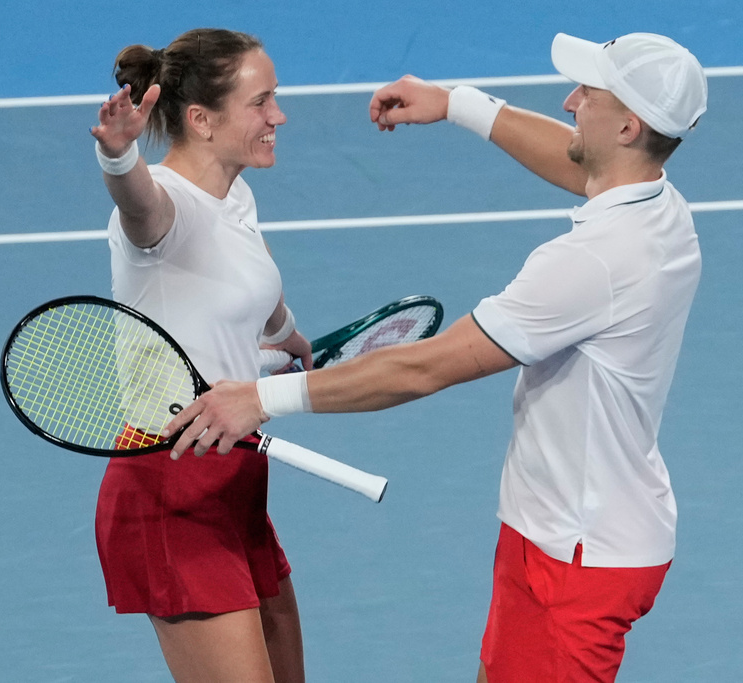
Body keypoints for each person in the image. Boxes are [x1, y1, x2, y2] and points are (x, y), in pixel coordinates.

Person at [165, 31, 707, 683]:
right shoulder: (657, 204)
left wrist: (259, 397)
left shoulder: (592, 263)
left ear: (627, 124)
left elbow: (428, 365)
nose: (568, 101)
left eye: (586, 94)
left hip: (578, 557)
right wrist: (454, 103)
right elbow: (581, 166)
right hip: (573, 535)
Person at [89, 28, 313, 683]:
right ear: (201, 120)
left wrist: (291, 337)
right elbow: (141, 208)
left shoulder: (233, 194)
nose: (279, 116)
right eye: (262, 102)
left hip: (236, 479)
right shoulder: (167, 210)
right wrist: (118, 160)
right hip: (170, 486)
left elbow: (256, 284)